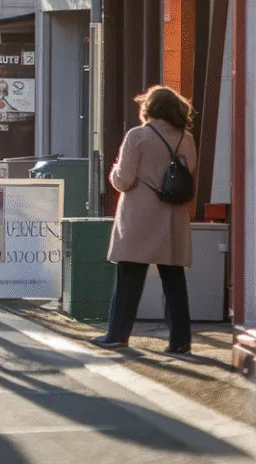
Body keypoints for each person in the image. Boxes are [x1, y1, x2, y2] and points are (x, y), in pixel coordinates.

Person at [91, 86, 197, 356]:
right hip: (173, 215)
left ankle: (117, 335)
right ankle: (180, 341)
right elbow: (190, 171)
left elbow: (124, 180)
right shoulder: (186, 138)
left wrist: (114, 172)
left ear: (149, 108)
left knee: (129, 277)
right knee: (174, 280)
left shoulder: (138, 136)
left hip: (140, 215)